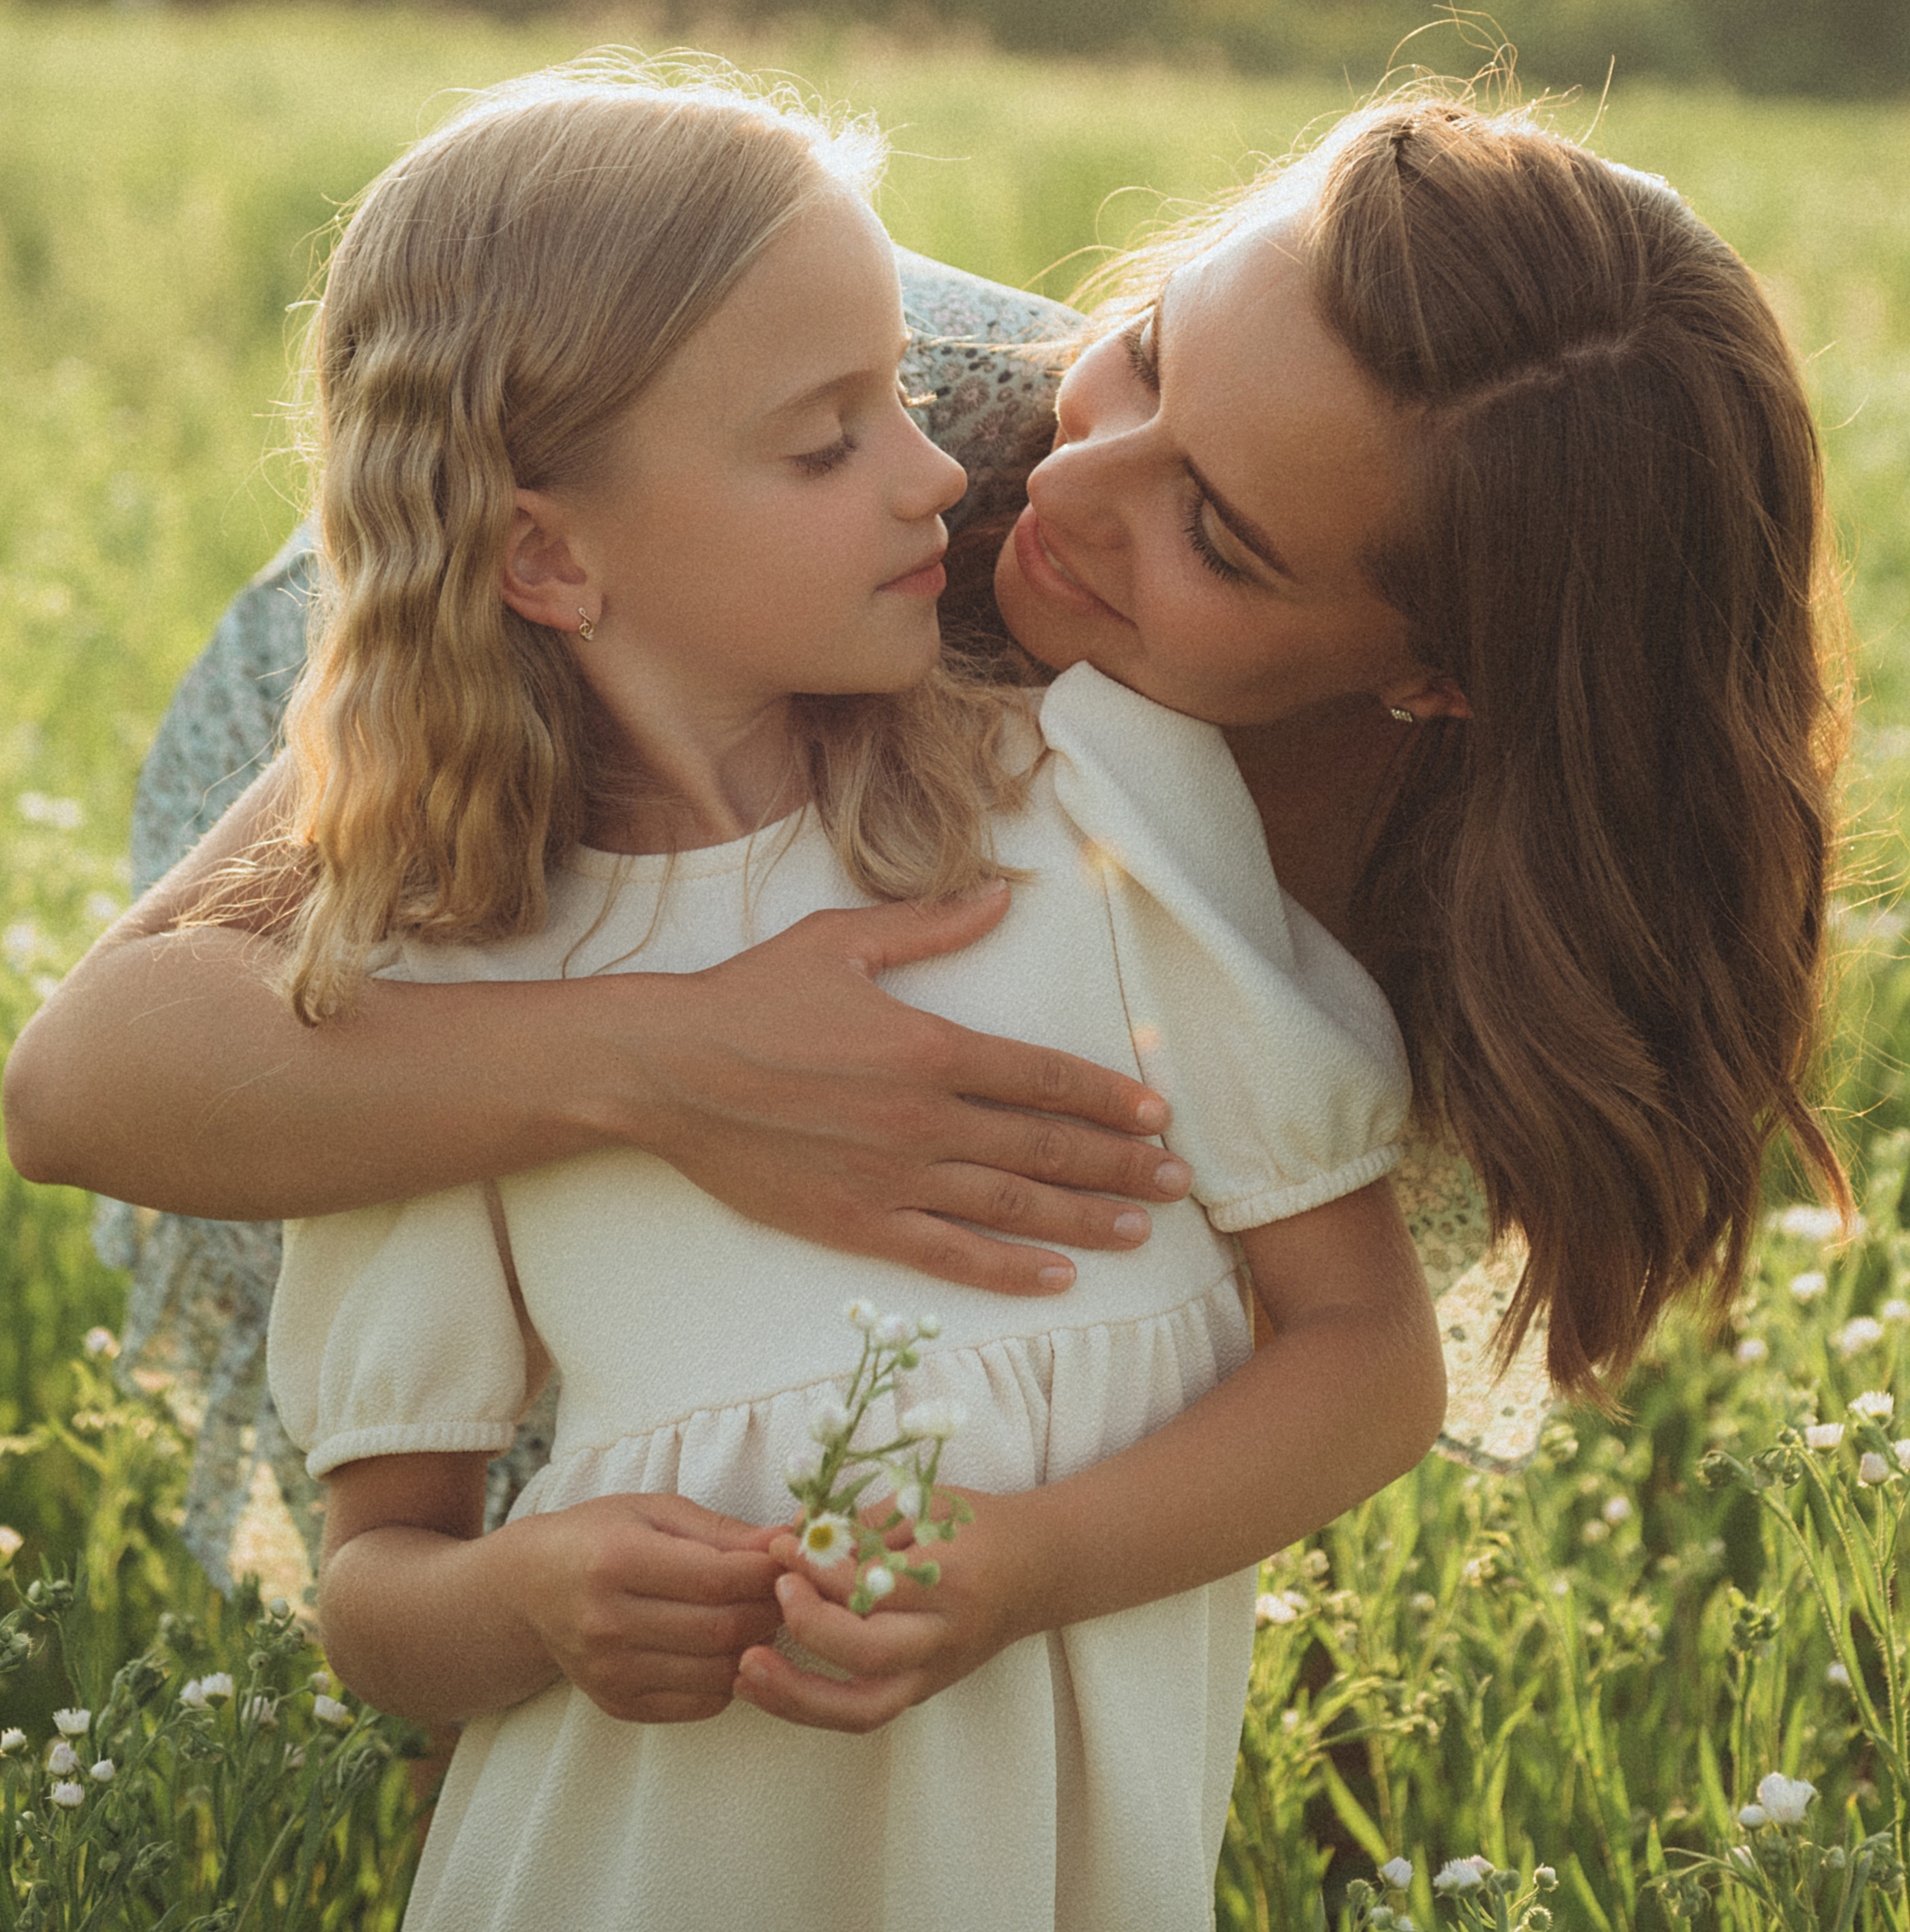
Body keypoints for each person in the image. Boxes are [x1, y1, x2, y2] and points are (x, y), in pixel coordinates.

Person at [6, 78, 1845, 1516]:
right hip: (475, 769)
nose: (1063, 487)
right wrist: (662, 1061)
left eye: (1212, 532)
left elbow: (1252, 1352)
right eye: (1147, 346)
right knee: (554, 1488)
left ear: (1437, 678)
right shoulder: (904, 471)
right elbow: (90, 1083)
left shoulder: (1478, 893)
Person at [221, 66, 1444, 1932]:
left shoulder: (1095, 812)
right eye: (824, 444)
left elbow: (1367, 1362)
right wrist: (529, 1598)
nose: (940, 473)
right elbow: (380, 1594)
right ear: (547, 553)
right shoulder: (437, 992)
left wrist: (1029, 1565)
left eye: (902, 395)